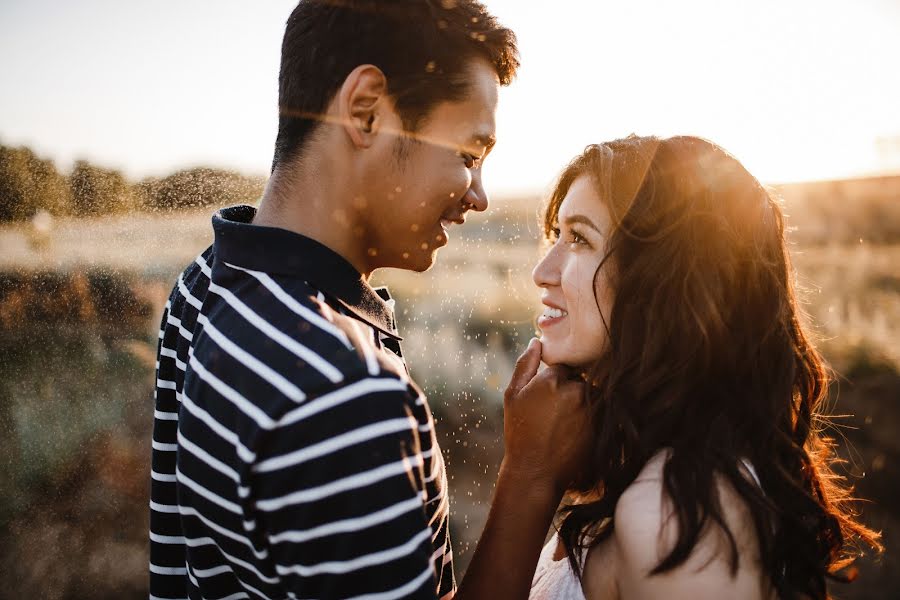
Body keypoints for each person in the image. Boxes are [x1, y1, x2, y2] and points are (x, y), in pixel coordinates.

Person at [149, 2, 589, 599]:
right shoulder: (343, 393)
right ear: (367, 111)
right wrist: (531, 477)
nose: (479, 195)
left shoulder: (204, 286)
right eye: (468, 154)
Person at [527, 136, 883, 600]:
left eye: (579, 238)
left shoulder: (675, 514)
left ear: (661, 282)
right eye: (556, 234)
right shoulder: (648, 470)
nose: (542, 270)